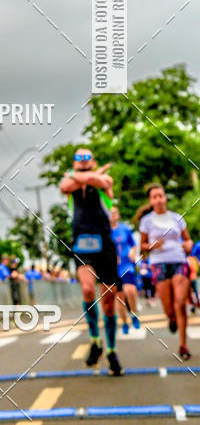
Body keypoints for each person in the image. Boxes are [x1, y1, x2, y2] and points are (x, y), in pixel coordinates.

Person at [59, 148, 123, 376]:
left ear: (94, 162)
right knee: (87, 289)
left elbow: (102, 180)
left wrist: (79, 175)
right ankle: (95, 341)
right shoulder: (71, 184)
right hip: (81, 244)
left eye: (88, 161)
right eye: (78, 161)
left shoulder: (105, 181)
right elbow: (65, 187)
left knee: (108, 301)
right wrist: (84, 176)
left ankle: (112, 351)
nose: (83, 165)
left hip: (105, 245)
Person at [138, 183, 193, 361]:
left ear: (165, 197)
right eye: (155, 197)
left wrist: (188, 245)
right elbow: (142, 247)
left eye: (161, 196)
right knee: (169, 308)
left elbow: (187, 240)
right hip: (159, 264)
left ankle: (183, 345)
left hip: (178, 260)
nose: (159, 199)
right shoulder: (146, 221)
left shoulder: (177, 218)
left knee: (180, 303)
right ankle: (171, 318)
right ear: (151, 200)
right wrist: (152, 246)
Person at [110, 206, 141, 334]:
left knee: (131, 290)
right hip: (113, 268)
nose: (112, 215)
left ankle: (133, 314)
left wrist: (133, 252)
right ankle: (124, 322)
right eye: (110, 213)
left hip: (127, 265)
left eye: (114, 213)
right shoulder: (105, 231)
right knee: (119, 296)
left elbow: (133, 245)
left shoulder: (125, 229)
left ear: (118, 215)